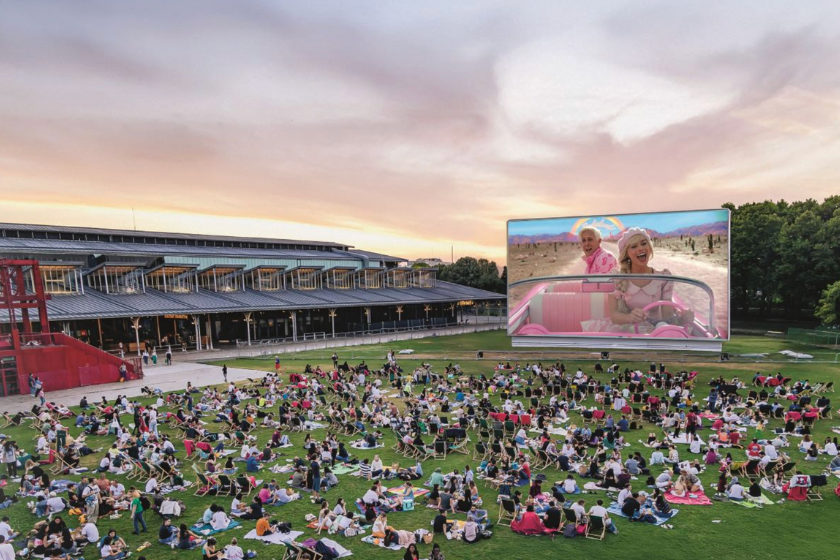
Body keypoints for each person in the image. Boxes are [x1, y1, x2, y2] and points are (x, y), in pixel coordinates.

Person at [589, 228, 694, 334]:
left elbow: (668, 315)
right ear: (627, 254)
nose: (640, 248)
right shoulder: (617, 278)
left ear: (649, 247)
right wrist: (630, 317)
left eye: (643, 244)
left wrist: (682, 318)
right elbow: (614, 316)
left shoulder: (664, 278)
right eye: (634, 246)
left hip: (656, 331)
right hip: (629, 331)